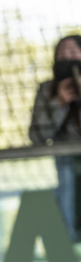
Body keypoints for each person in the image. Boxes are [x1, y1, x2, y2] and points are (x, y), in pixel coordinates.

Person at [29, 35, 81, 240]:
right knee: (67, 226)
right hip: (65, 170)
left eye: (72, 52)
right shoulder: (46, 89)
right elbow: (36, 136)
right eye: (60, 54)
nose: (66, 58)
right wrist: (58, 103)